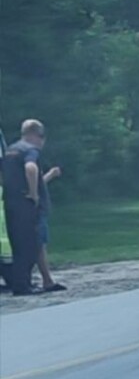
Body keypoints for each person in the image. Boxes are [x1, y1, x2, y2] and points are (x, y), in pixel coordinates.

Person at [2, 119, 47, 295]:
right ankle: (23, 286)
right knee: (29, 245)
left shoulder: (10, 150)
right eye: (42, 136)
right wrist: (34, 193)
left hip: (10, 201)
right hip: (24, 202)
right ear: (35, 134)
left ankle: (20, 283)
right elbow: (31, 168)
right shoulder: (29, 150)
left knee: (17, 245)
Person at [36, 163, 66, 292]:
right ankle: (47, 280)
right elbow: (36, 184)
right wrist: (51, 175)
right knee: (39, 244)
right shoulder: (28, 157)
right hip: (35, 210)